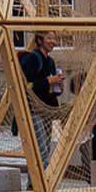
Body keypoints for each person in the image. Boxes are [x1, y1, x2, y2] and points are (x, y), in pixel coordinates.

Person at [19, 31, 64, 166]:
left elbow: (50, 90)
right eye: (49, 38)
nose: (53, 42)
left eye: (54, 39)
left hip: (46, 110)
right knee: (40, 149)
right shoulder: (32, 58)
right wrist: (48, 81)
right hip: (33, 109)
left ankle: (35, 182)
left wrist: (58, 85)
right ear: (39, 40)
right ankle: (39, 183)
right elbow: (24, 85)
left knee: (46, 147)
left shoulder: (50, 61)